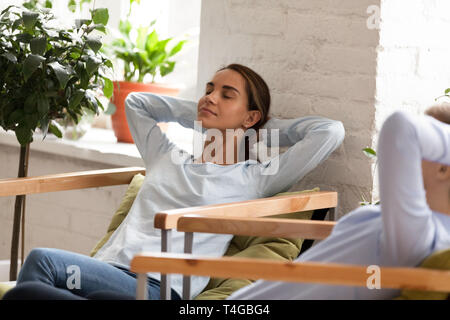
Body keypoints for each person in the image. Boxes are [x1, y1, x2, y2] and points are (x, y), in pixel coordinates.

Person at [2, 63, 344, 300]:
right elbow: (136, 102)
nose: (211, 96)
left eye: (227, 94)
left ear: (251, 115)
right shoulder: (165, 155)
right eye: (209, 90)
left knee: (40, 264)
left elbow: (329, 131)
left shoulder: (253, 178)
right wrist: (204, 114)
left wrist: (255, 127)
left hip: (158, 286)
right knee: (30, 293)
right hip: (108, 272)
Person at [229, 104, 450, 300]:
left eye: (425, 149)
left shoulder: (423, 234)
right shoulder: (411, 225)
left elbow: (401, 127)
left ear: (443, 167)